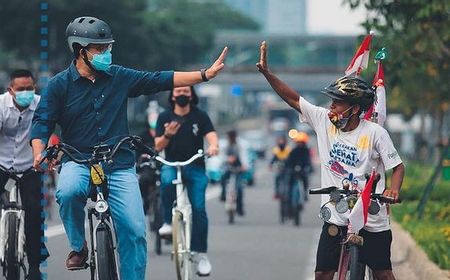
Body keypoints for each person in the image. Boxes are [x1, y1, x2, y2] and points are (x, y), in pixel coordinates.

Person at [30, 16, 227, 280]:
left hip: (118, 163)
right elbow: (42, 121)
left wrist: (204, 75)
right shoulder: (58, 85)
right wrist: (39, 151)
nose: (106, 53)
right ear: (80, 50)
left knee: (135, 232)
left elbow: (158, 79)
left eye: (108, 47)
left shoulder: (119, 77)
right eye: (100, 49)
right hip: (77, 160)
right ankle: (78, 246)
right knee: (68, 193)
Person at [257, 41, 405, 280]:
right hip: (337, 213)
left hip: (371, 214)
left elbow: (397, 167)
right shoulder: (324, 121)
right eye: (331, 101)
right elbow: (293, 99)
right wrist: (267, 74)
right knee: (323, 274)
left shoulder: (376, 133)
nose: (331, 106)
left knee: (383, 274)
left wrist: (393, 189)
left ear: (355, 109)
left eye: (338, 102)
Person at [155, 85, 219, 276]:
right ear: (172, 96)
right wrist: (168, 135)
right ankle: (167, 222)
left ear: (191, 95)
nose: (182, 94)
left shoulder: (200, 116)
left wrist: (214, 146)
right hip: (171, 164)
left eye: (185, 91)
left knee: (199, 208)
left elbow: (211, 135)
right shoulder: (164, 117)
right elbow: (157, 146)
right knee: (166, 182)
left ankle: (202, 255)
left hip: (196, 166)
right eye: (178, 91)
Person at [0, 69, 49, 280]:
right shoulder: (1, 106)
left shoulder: (42, 105)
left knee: (34, 212)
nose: (26, 93)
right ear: (11, 90)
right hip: (1, 166)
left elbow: (50, 129)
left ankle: (35, 267)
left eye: (30, 88)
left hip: (31, 167)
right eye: (21, 89)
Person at [219, 129, 248, 216]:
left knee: (239, 188)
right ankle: (223, 194)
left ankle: (239, 207)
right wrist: (227, 159)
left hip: (238, 168)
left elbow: (244, 156)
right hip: (227, 167)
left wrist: (244, 165)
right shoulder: (224, 145)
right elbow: (220, 156)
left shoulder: (240, 145)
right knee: (223, 179)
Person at [285, 131, 312, 200]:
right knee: (289, 180)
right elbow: (289, 160)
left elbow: (308, 161)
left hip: (302, 170)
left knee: (305, 179)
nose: (300, 144)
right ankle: (288, 194)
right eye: (298, 142)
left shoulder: (306, 151)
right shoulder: (293, 151)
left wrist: (308, 168)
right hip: (293, 170)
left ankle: (305, 193)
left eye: (301, 142)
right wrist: (289, 167)